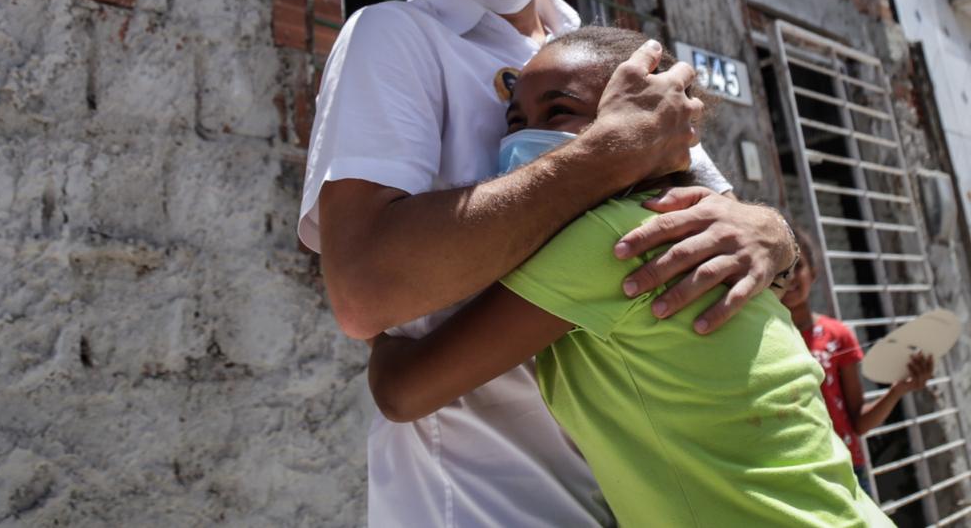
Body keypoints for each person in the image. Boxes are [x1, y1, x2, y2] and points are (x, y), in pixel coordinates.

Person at [299, 0, 798, 526]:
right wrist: (601, 156)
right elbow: (363, 291)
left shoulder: (596, 53)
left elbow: (719, 229)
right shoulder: (394, 41)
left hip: (642, 493)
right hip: (481, 505)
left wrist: (775, 232)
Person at [367, 27, 892, 527]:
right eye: (515, 120)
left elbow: (402, 393)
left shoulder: (613, 242)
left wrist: (374, 312)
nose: (528, 136)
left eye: (561, 112)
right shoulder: (693, 224)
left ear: (657, 123)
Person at [778, 235, 935, 497]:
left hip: (848, 470)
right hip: (802, 473)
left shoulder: (837, 335)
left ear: (814, 273)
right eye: (781, 271)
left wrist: (897, 390)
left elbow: (858, 422)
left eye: (798, 266)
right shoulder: (770, 342)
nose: (791, 277)